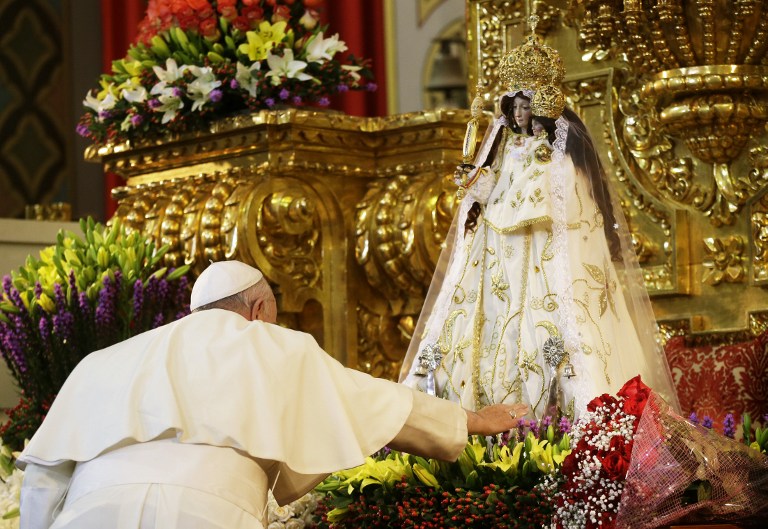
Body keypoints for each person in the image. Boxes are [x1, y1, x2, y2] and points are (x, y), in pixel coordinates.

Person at [17, 260, 528, 529]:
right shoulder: (270, 343)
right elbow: (379, 402)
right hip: (209, 518)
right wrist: (472, 421)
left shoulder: (106, 360)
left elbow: (43, 476)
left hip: (89, 517)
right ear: (261, 309)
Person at [400, 31, 679, 420]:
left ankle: (555, 419)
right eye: (513, 108)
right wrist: (473, 182)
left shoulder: (559, 154)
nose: (517, 115)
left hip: (542, 253)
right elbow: (491, 188)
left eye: (524, 108)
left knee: (546, 330)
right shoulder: (507, 147)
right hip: (498, 253)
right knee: (490, 330)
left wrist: (535, 201)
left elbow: (567, 200)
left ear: (540, 109)